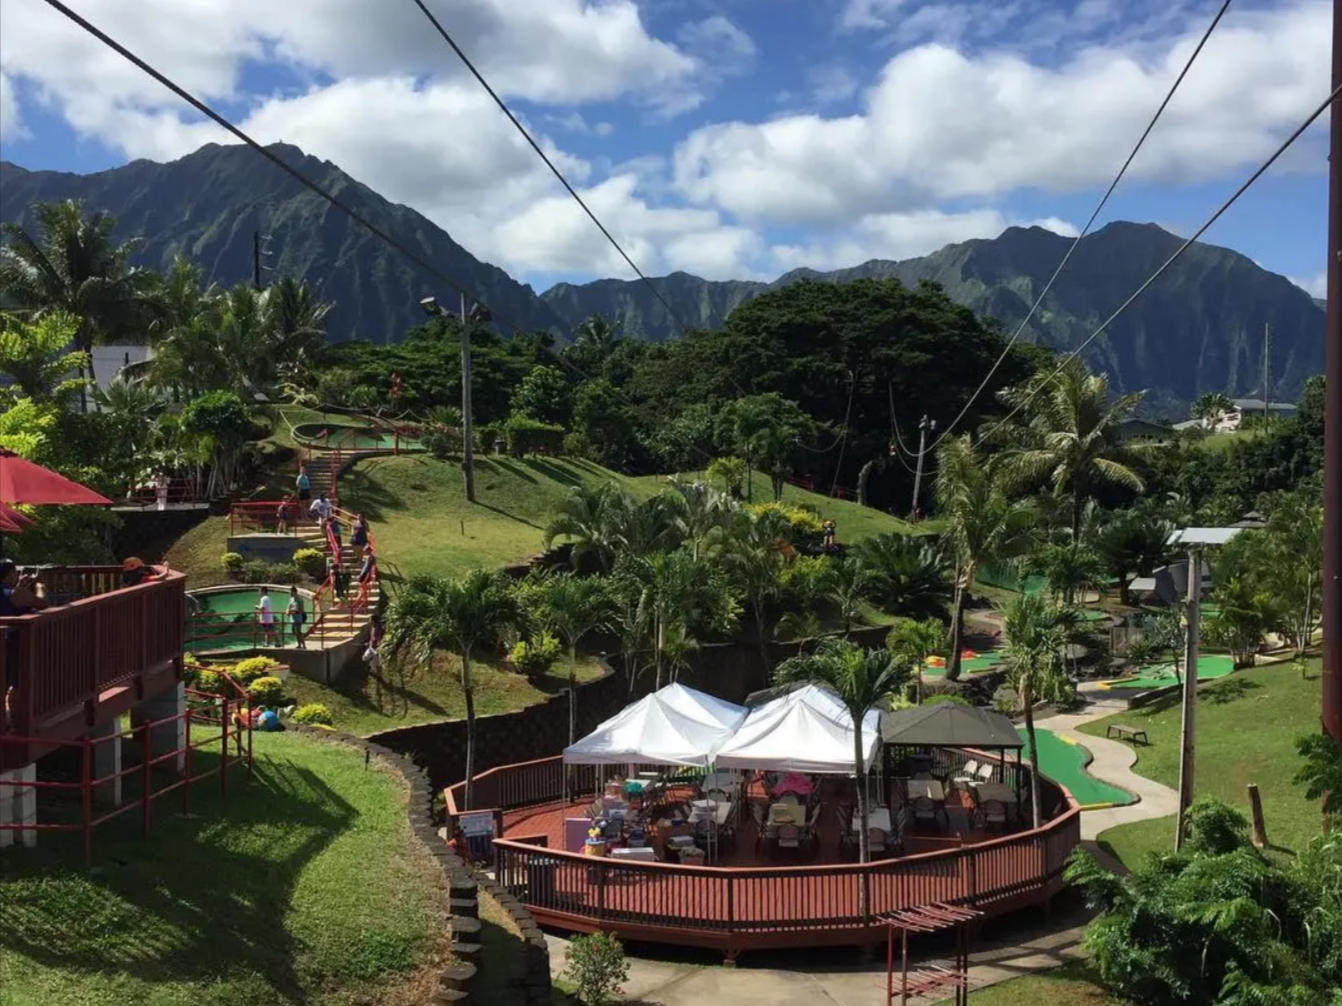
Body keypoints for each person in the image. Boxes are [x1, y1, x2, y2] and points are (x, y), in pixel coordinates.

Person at [286, 585, 307, 649]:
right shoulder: (291, 599)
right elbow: (288, 607)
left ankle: (302, 645)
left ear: (294, 592)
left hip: (298, 618)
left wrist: (294, 611)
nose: (290, 593)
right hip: (292, 618)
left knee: (298, 631)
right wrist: (287, 611)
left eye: (291, 592)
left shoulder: (300, 600)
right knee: (294, 631)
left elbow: (301, 610)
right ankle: (299, 644)